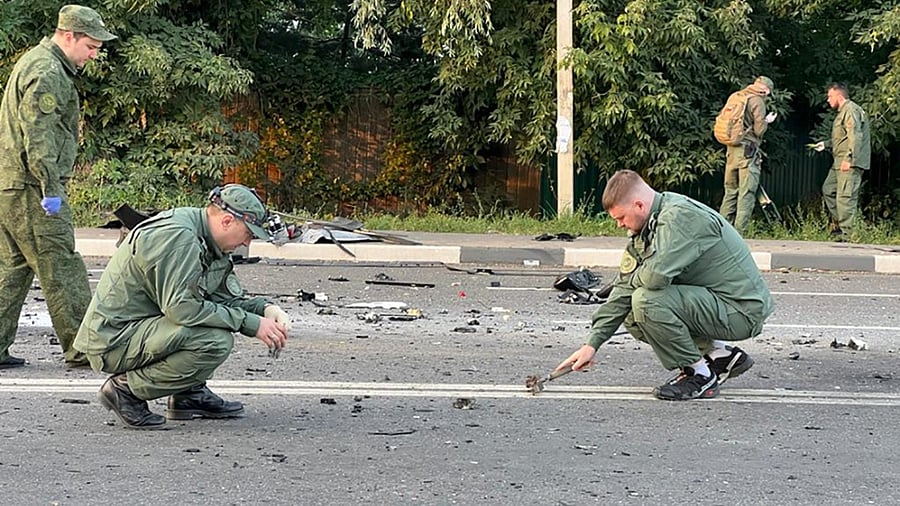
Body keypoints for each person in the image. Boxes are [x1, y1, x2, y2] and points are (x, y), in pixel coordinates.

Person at [73, 184, 293, 430]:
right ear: (227, 221)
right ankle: (125, 390)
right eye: (248, 233)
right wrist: (250, 324)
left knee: (213, 323)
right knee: (213, 341)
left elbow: (222, 299)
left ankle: (188, 393)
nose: (247, 242)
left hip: (142, 329)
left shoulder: (208, 240)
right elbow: (183, 309)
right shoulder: (180, 238)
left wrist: (266, 310)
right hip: (114, 340)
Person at [556, 170, 774, 400]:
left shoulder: (680, 218)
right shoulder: (649, 225)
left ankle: (700, 375)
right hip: (717, 302)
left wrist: (631, 281)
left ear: (639, 205)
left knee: (646, 300)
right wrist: (591, 345)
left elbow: (654, 278)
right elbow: (623, 289)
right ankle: (719, 355)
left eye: (621, 218)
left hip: (741, 310)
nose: (619, 225)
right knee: (631, 310)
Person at [0, 5, 117, 369]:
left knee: (12, 269)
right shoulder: (48, 71)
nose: (94, 55)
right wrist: (50, 188)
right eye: (91, 46)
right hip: (33, 188)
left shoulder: (35, 62)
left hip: (12, 185)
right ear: (69, 36)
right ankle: (85, 348)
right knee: (61, 266)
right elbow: (39, 136)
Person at [718, 76, 777, 234]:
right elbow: (759, 130)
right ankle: (739, 233)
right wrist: (766, 121)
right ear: (766, 90)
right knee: (747, 192)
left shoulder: (736, 96)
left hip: (731, 149)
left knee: (730, 191)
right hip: (747, 152)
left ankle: (722, 231)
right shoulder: (757, 101)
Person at [812, 83, 871, 241]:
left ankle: (849, 235)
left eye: (830, 96)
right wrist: (825, 144)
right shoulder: (843, 112)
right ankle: (842, 226)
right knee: (829, 189)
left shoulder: (850, 110)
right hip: (838, 161)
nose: (828, 100)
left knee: (845, 197)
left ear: (839, 95)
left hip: (848, 162)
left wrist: (849, 159)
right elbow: (843, 138)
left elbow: (855, 136)